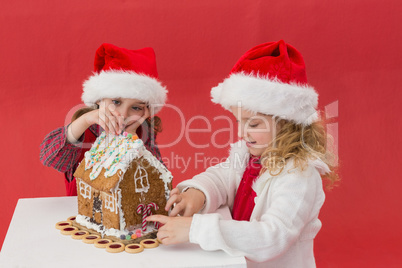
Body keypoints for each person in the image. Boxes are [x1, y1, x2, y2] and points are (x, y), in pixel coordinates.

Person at [147, 40, 339, 267]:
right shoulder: (252, 157)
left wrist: (195, 229)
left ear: (288, 123)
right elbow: (222, 177)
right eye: (239, 121)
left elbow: (273, 237)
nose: (241, 132)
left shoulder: (299, 175)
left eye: (254, 124)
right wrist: (197, 194)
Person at [40, 43, 168, 196]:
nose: (124, 113)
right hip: (81, 213)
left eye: (136, 108)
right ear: (99, 100)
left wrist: (131, 140)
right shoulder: (84, 133)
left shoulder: (141, 135)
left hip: (125, 218)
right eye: (116, 102)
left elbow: (158, 181)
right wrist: (84, 121)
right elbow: (50, 157)